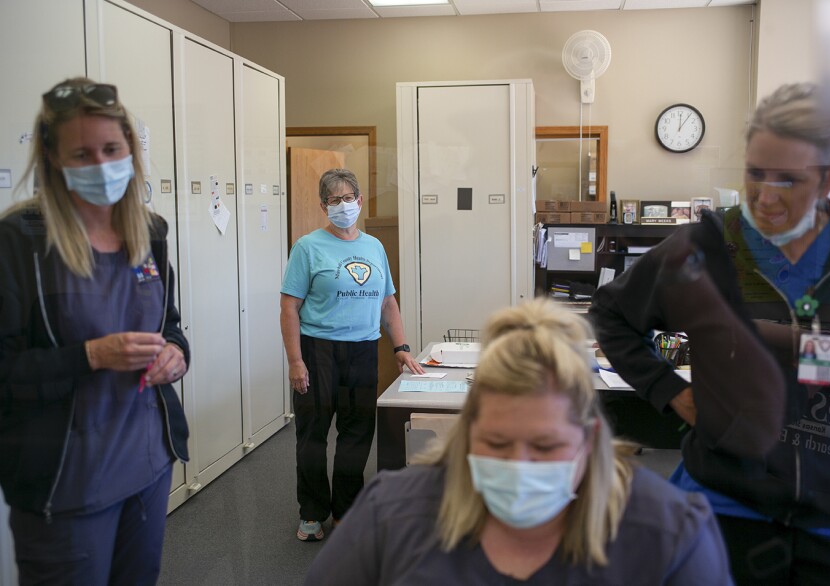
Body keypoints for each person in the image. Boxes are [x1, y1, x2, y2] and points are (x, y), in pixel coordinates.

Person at [591, 82, 830, 584]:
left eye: (788, 179)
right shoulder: (708, 246)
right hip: (727, 505)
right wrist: (672, 393)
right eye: (754, 173)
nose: (765, 198)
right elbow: (611, 313)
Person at [304, 298, 732, 584]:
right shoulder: (393, 514)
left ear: (591, 437)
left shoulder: (669, 535)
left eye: (545, 446)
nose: (520, 464)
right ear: (467, 434)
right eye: (497, 442)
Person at [0, 78, 190, 584]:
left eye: (111, 149)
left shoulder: (148, 233)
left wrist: (176, 352)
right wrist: (90, 355)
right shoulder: (19, 244)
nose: (102, 165)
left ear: (130, 147)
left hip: (148, 466)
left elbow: (169, 324)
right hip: (68, 483)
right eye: (82, 154)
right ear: (52, 158)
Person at [280, 168, 424, 542]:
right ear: (323, 205)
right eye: (334, 199)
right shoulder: (307, 247)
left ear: (360, 202)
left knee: (357, 433)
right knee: (313, 435)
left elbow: (388, 302)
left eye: (348, 198)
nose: (342, 205)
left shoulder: (374, 247)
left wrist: (401, 348)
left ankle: (346, 511)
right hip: (317, 351)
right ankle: (312, 512)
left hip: (362, 350)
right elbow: (289, 308)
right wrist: (296, 360)